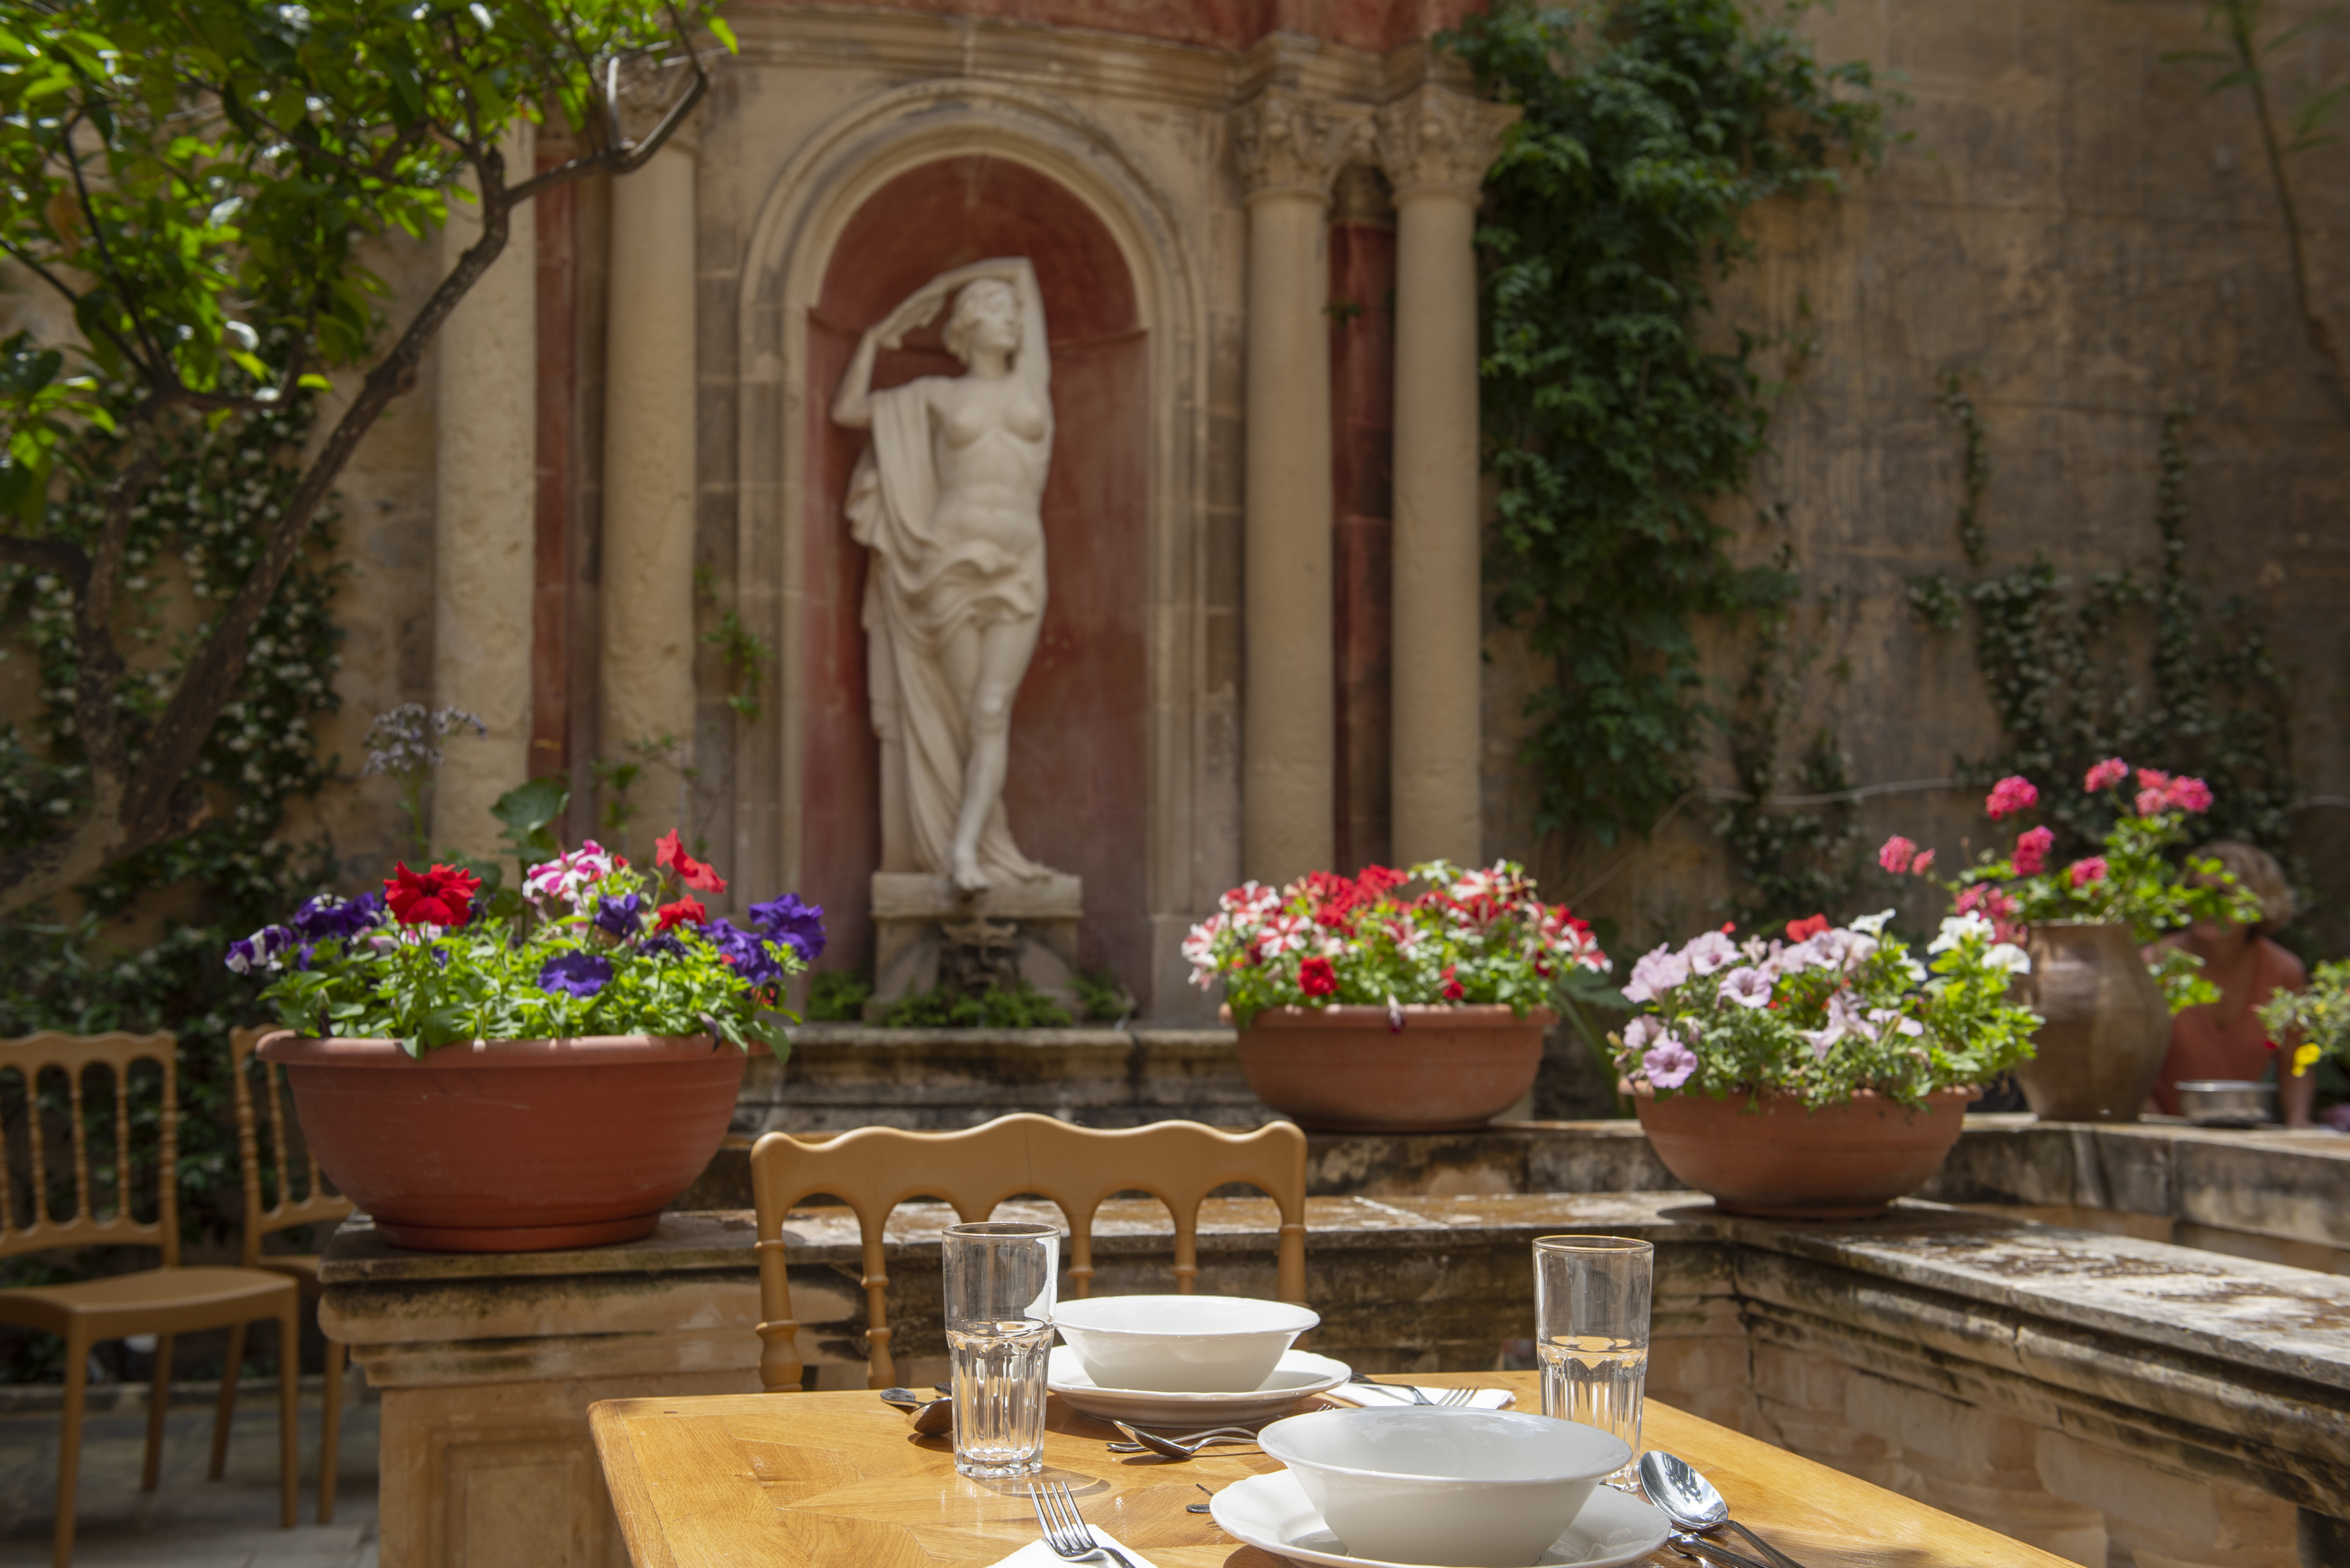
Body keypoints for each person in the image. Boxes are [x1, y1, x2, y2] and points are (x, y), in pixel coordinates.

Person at [832, 257, 1062, 894]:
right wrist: (875, 339)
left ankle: (967, 847)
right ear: (967, 327)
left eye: (1013, 312)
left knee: (991, 708)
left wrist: (940, 284)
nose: (1012, 319)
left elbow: (1024, 271)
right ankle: (970, 847)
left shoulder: (1032, 382)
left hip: (1018, 561)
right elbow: (848, 409)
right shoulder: (938, 394)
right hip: (949, 561)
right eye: (996, 310)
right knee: (965, 716)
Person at [2149, 840, 2312, 1124]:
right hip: (2161, 1133)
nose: (2204, 904)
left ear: (2256, 901)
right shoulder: (2152, 965)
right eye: (2194, 891)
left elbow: (2294, 1062)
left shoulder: (2285, 971)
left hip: (2243, 1130)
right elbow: (2125, 1069)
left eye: (2220, 894)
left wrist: (2299, 1126)